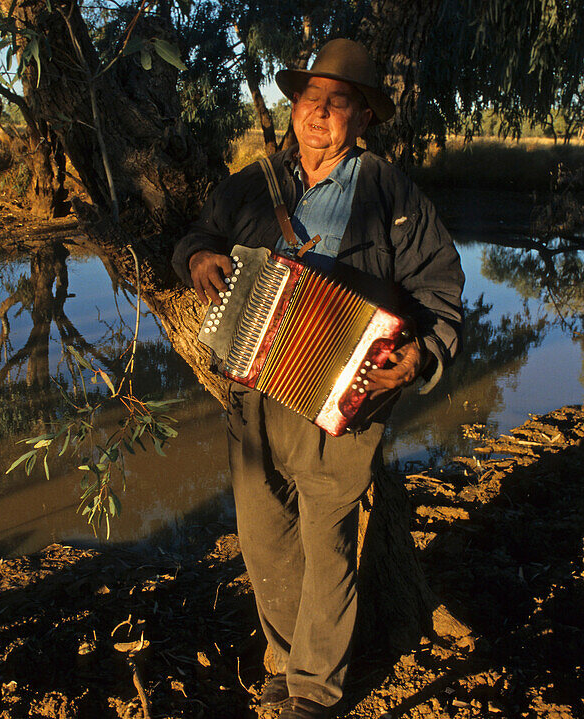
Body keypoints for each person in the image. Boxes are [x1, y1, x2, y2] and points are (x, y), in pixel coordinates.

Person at [172, 39, 464, 719]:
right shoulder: (253, 183)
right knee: (263, 535)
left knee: (326, 539)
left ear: (362, 117)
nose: (320, 114)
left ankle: (310, 688)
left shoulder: (391, 193)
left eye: (339, 104)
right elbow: (196, 236)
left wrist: (420, 355)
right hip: (252, 390)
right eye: (311, 100)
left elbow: (442, 289)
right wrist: (198, 259)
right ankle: (283, 663)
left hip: (342, 401)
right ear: (294, 105)